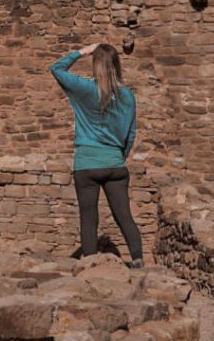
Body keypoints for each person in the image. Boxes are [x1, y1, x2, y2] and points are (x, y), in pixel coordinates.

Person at [49, 41, 143, 267]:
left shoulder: (85, 89)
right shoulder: (128, 96)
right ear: (117, 65)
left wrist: (82, 51)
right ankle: (138, 261)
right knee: (125, 217)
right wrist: (118, 156)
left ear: (95, 64)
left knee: (89, 218)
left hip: (87, 164)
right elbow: (130, 134)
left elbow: (56, 68)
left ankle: (90, 266)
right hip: (115, 164)